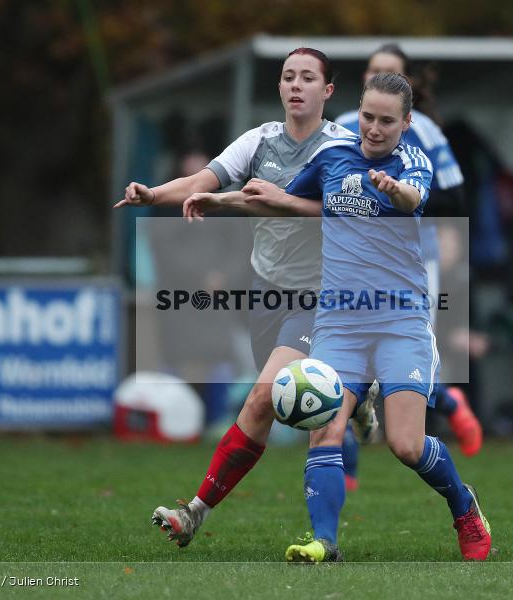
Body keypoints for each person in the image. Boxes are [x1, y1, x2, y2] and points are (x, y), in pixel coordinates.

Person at [113, 48, 373, 547]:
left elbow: (352, 213)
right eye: (288, 77)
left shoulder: (343, 146)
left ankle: (200, 514)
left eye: (307, 78)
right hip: (267, 290)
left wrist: (279, 202)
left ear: (328, 91)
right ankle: (360, 391)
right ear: (279, 88)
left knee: (266, 400)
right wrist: (153, 194)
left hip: (323, 293)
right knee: (265, 407)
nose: (296, 85)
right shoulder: (259, 141)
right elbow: (201, 182)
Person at [277, 73, 491, 562]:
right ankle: (325, 543)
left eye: (387, 121)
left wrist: (394, 190)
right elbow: (293, 199)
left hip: (400, 320)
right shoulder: (332, 155)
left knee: (406, 445)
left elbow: (413, 199)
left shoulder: (412, 160)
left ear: (406, 122)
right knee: (326, 427)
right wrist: (219, 198)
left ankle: (464, 506)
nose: (374, 129)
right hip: (339, 321)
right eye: (368, 117)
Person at [333, 44, 482, 491]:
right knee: (333, 375)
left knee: (399, 366)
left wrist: (409, 202)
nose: (380, 77)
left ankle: (446, 403)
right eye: (374, 70)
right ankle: (348, 469)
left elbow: (455, 195)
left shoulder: (427, 136)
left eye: (391, 72)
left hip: (412, 269)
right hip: (347, 270)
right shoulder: (339, 129)